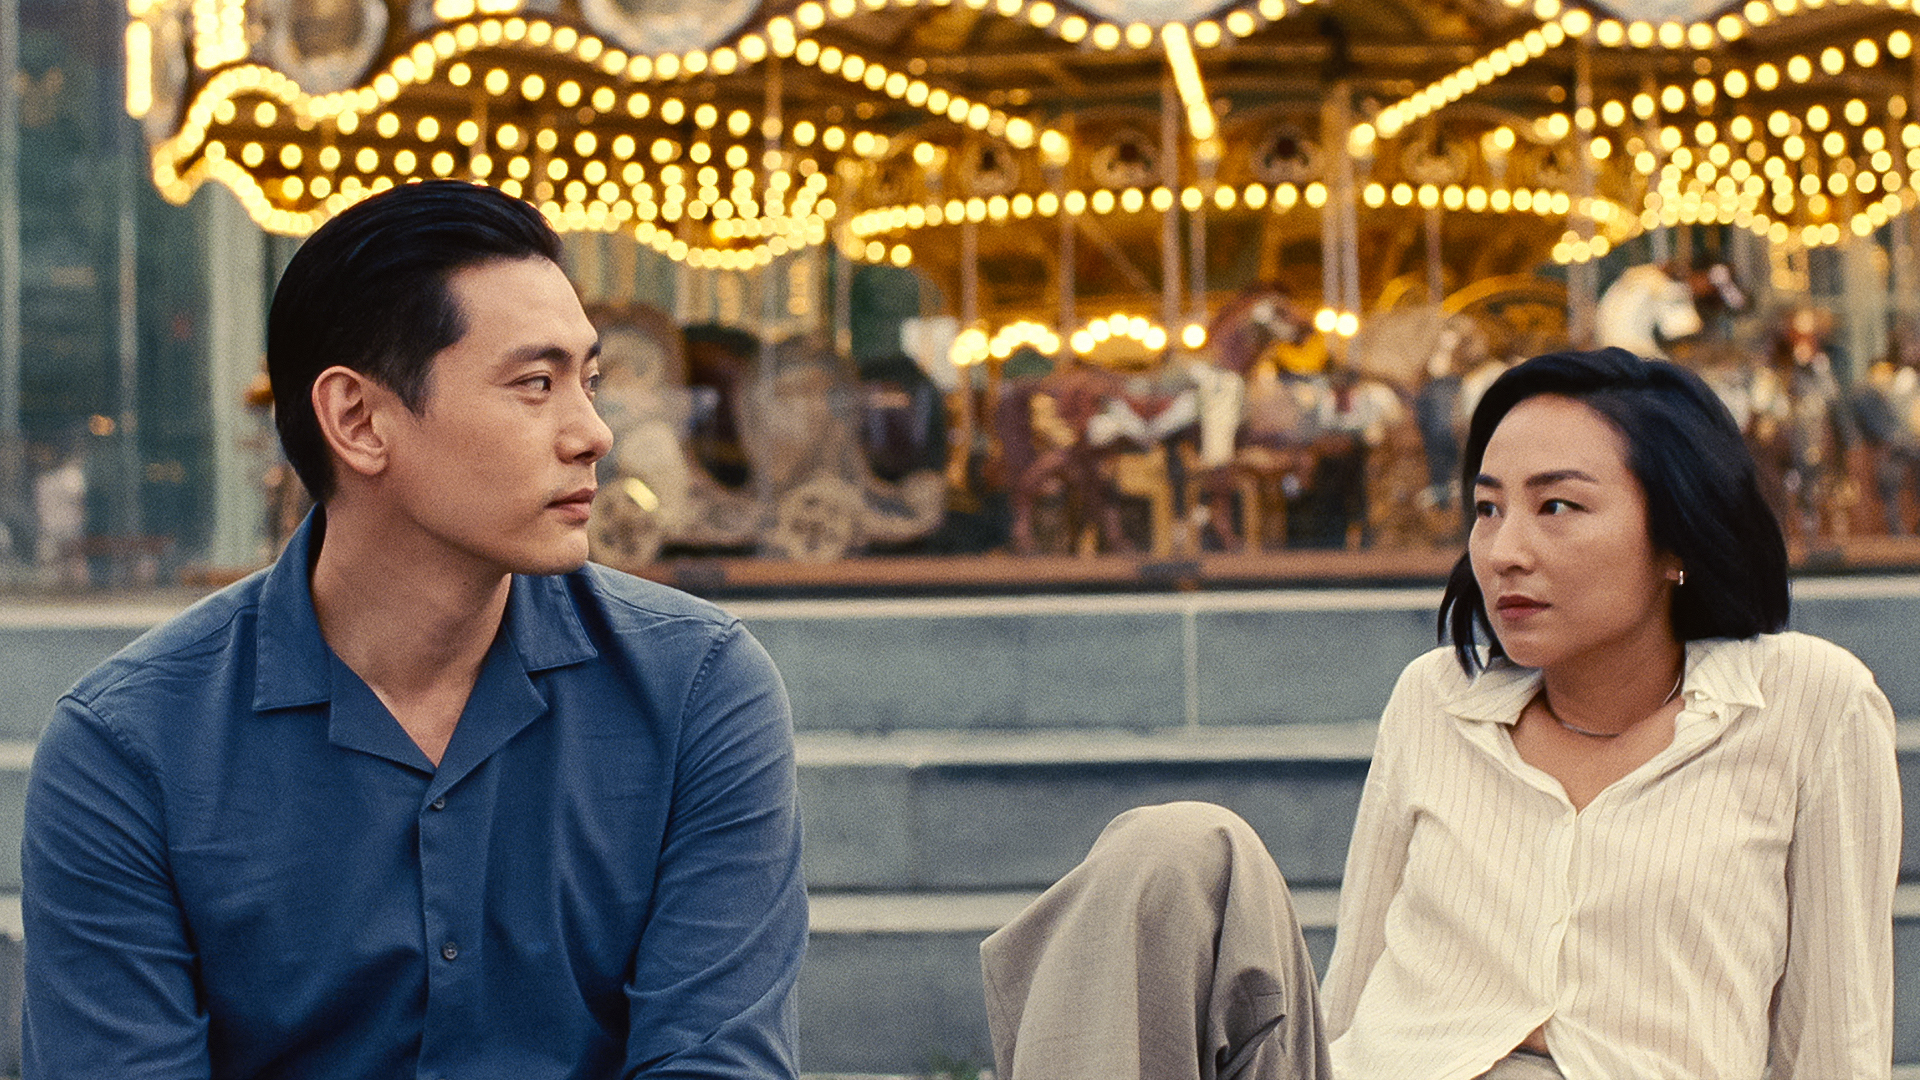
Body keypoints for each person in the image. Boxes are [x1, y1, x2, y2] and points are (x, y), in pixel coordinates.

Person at [21, 180, 808, 1079]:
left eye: (590, 382)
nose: (593, 432)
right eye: (535, 384)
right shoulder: (127, 752)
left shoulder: (698, 690)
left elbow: (717, 1066)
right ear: (358, 420)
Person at [979, 347, 1900, 1080]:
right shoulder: (1436, 699)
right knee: (1172, 849)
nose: (1504, 551)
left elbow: (1834, 1037)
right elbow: (1349, 996)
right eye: (1488, 509)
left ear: (1679, 538)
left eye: (1558, 508)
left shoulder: (1808, 705)